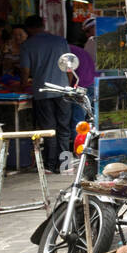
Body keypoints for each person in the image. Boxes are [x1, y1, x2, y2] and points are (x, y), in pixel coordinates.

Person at [19, 15, 72, 174]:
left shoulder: (27, 45)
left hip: (43, 92)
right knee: (64, 128)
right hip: (63, 90)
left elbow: (25, 71)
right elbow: (69, 66)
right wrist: (68, 86)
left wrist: (23, 82)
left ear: (28, 29)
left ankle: (49, 165)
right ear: (43, 24)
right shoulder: (60, 41)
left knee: (49, 129)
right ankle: (65, 165)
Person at [67, 25, 97, 128]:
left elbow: (69, 72)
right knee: (91, 117)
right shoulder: (74, 49)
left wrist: (68, 88)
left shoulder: (66, 52)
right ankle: (90, 141)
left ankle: (78, 142)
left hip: (83, 84)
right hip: (93, 80)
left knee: (78, 118)